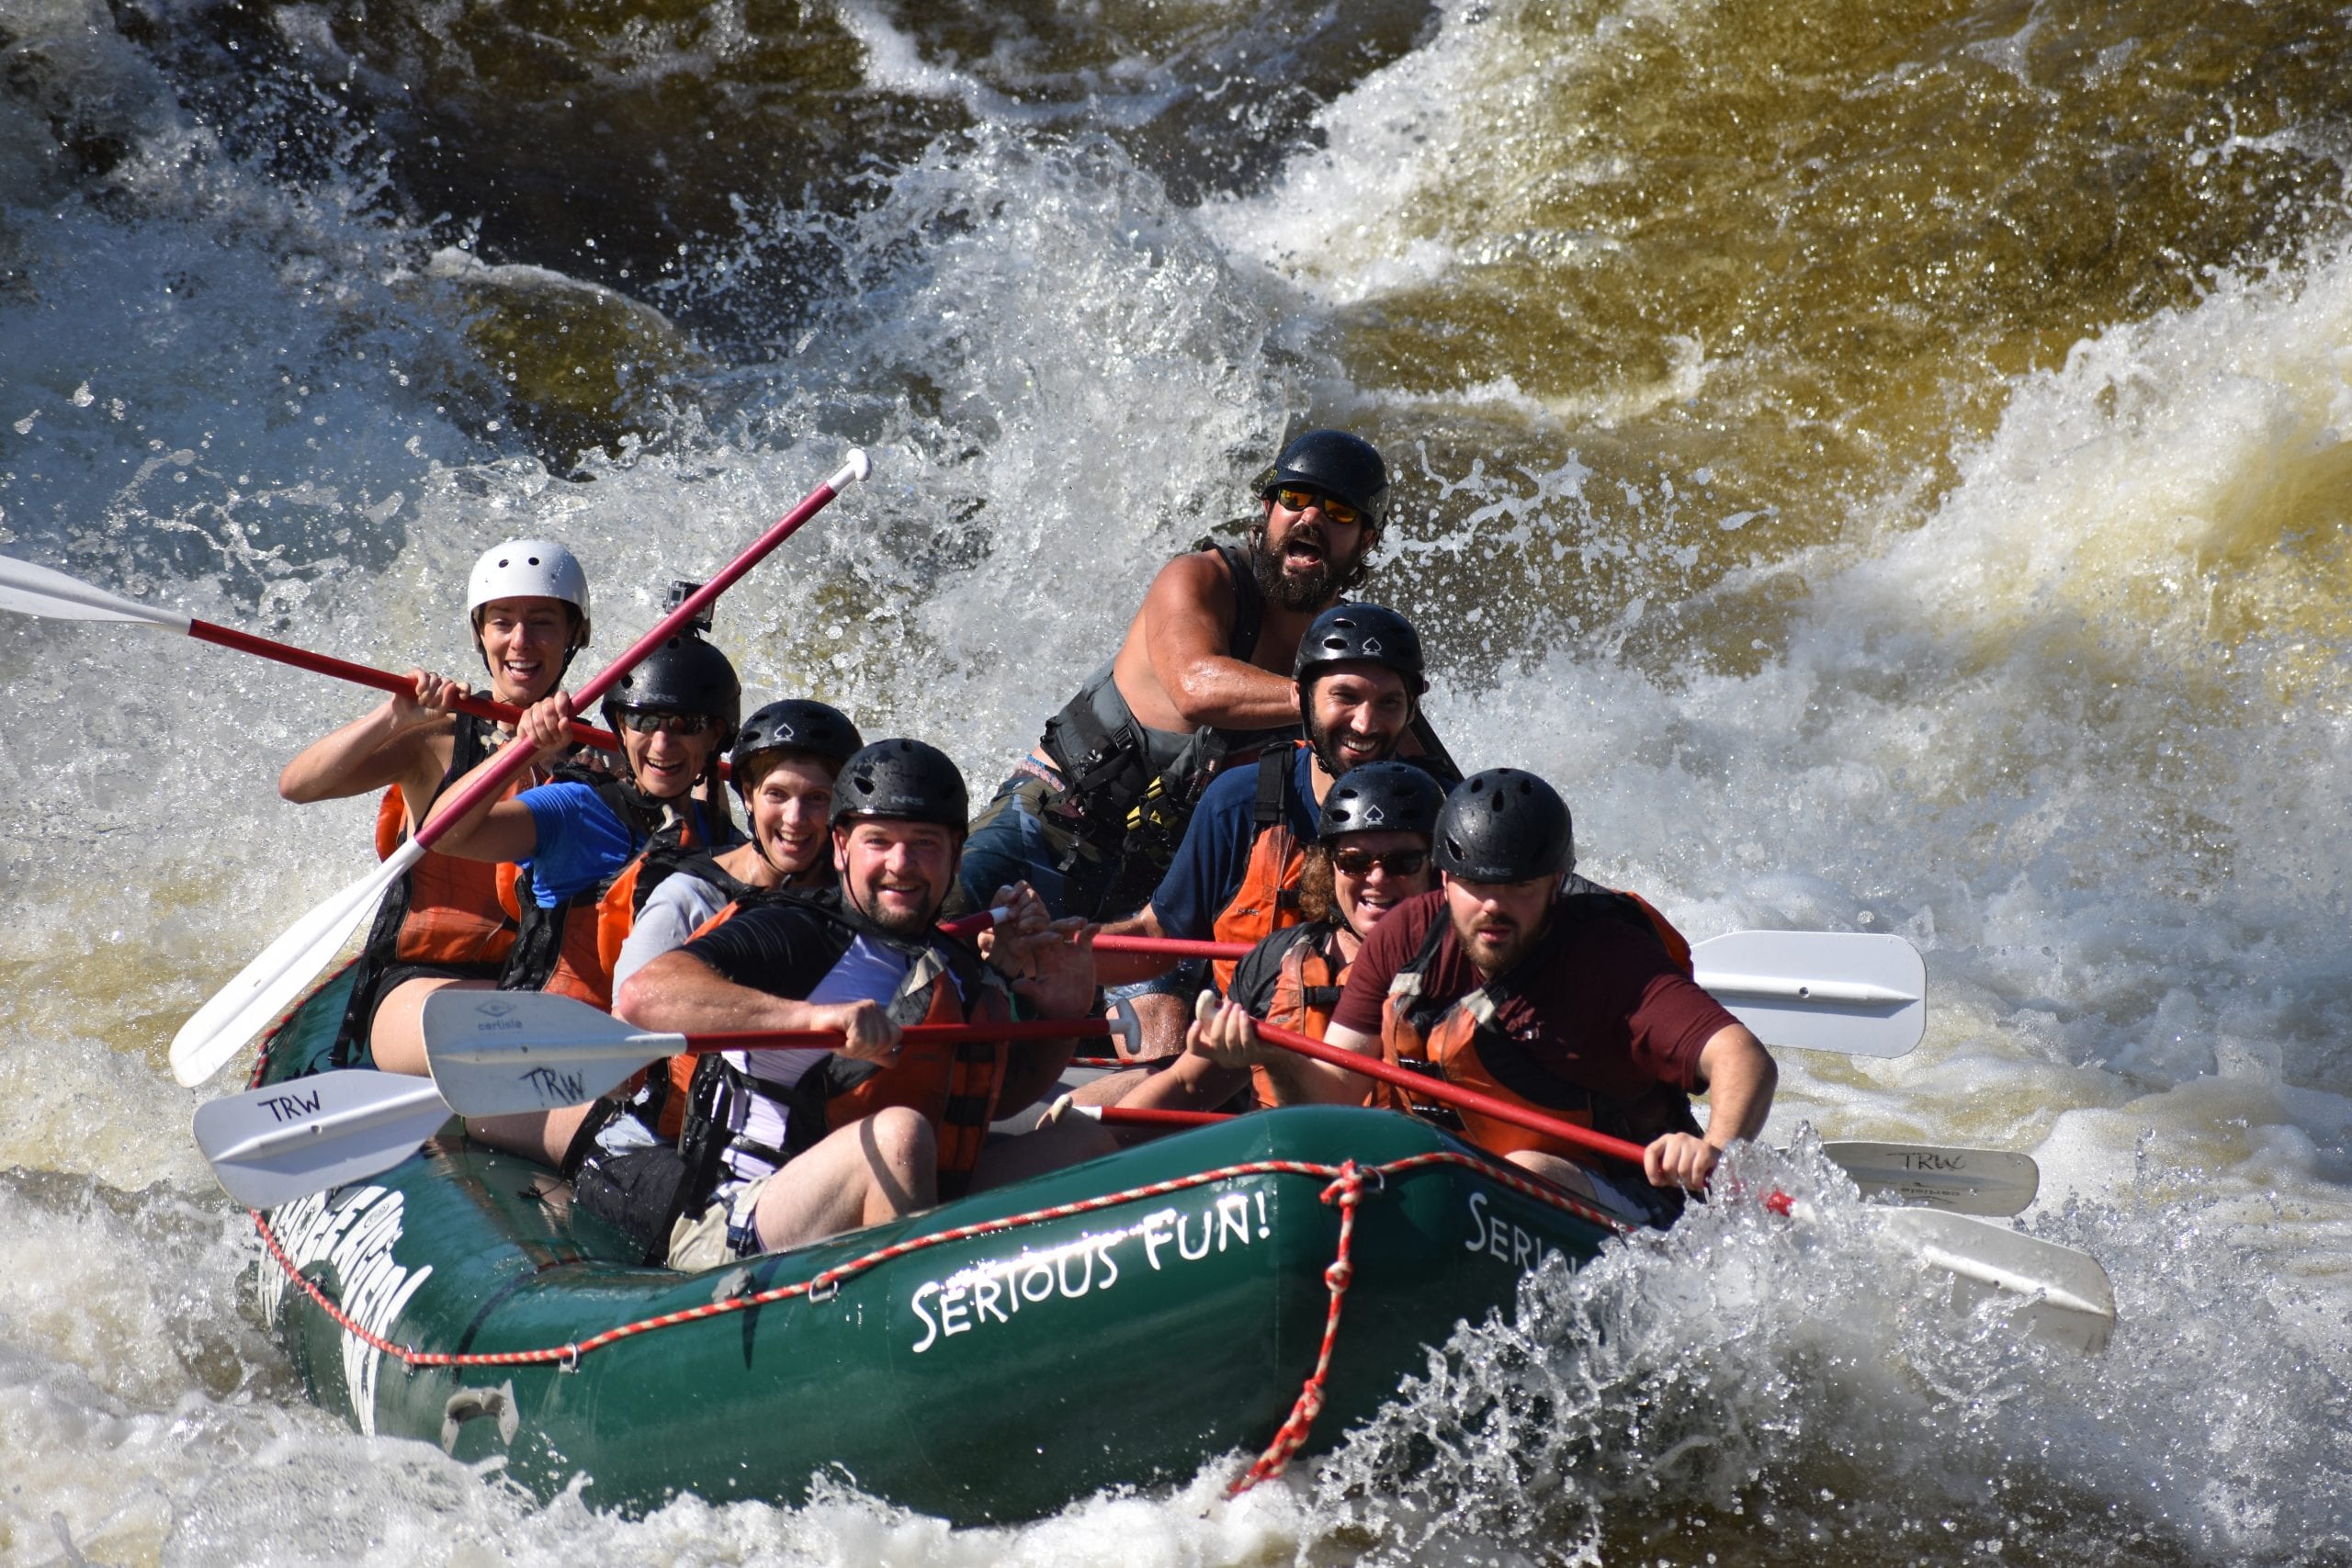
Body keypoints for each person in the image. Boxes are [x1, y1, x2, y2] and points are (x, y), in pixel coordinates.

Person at [1186, 769, 1777, 1221]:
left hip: (1622, 1198)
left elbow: (1743, 1058)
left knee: (1523, 1170)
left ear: (1555, 885)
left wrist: (1715, 1149)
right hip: (1457, 1192)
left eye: (1518, 887)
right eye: (1473, 885)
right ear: (1445, 880)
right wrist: (1272, 1056)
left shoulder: (1609, 958)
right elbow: (1332, 1091)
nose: (1492, 906)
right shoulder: (1405, 937)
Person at [615, 740, 1106, 1269]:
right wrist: (810, 1019)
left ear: (957, 855)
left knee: (1081, 1145)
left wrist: (1062, 1018)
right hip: (742, 1224)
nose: (902, 864)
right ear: (842, 846)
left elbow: (993, 1104)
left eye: (924, 843)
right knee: (898, 1136)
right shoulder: (794, 929)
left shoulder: (955, 965)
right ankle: (903, 1324)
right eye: (880, 842)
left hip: (910, 1208)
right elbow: (646, 994)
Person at [957, 429, 1404, 921]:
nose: (1312, 516)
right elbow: (1195, 686)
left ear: (1367, 539)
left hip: (1171, 887)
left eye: (1339, 510)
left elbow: (1415, 779)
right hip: (1054, 821)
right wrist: (1330, 696)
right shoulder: (1200, 579)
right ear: (1268, 508)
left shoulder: (1356, 654)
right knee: (946, 914)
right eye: (1296, 498)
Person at [553, 697, 865, 1260]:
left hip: (776, 1144)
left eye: (816, 799)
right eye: (777, 795)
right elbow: (628, 1031)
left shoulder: (849, 901)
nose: (795, 820)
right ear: (748, 797)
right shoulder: (688, 899)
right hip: (656, 1144)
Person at [381, 621, 741, 1091]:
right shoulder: (574, 807)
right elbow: (440, 833)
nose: (661, 744)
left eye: (685, 726)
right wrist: (524, 748)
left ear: (716, 737)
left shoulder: (726, 837)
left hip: (650, 1061)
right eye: (644, 721)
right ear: (619, 727)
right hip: (551, 1058)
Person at [276, 537, 594, 1067]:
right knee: (519, 1032)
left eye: (541, 622)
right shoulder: (439, 739)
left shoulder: (599, 757)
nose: (521, 641)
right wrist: (393, 717)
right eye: (502, 622)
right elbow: (298, 785)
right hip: (425, 984)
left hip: (545, 983)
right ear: (480, 633)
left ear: (573, 634)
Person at [1093, 602, 1451, 1058]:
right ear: (1302, 697)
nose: (1365, 723)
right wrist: (1062, 955)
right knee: (1155, 1052)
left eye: (1388, 702)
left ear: (1412, 707)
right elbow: (1160, 937)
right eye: (1345, 697)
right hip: (1243, 1052)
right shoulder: (1238, 801)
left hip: (1386, 1060)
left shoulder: (1447, 814)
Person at [1102, 759, 1444, 1115]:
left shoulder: (1468, 968)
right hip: (1287, 1160)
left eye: (1403, 863)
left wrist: (1276, 1057)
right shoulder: (1273, 961)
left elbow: (1335, 1103)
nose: (1376, 878)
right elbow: (1186, 1085)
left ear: (1435, 868)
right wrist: (1099, 1141)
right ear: (1329, 867)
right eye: (1354, 862)